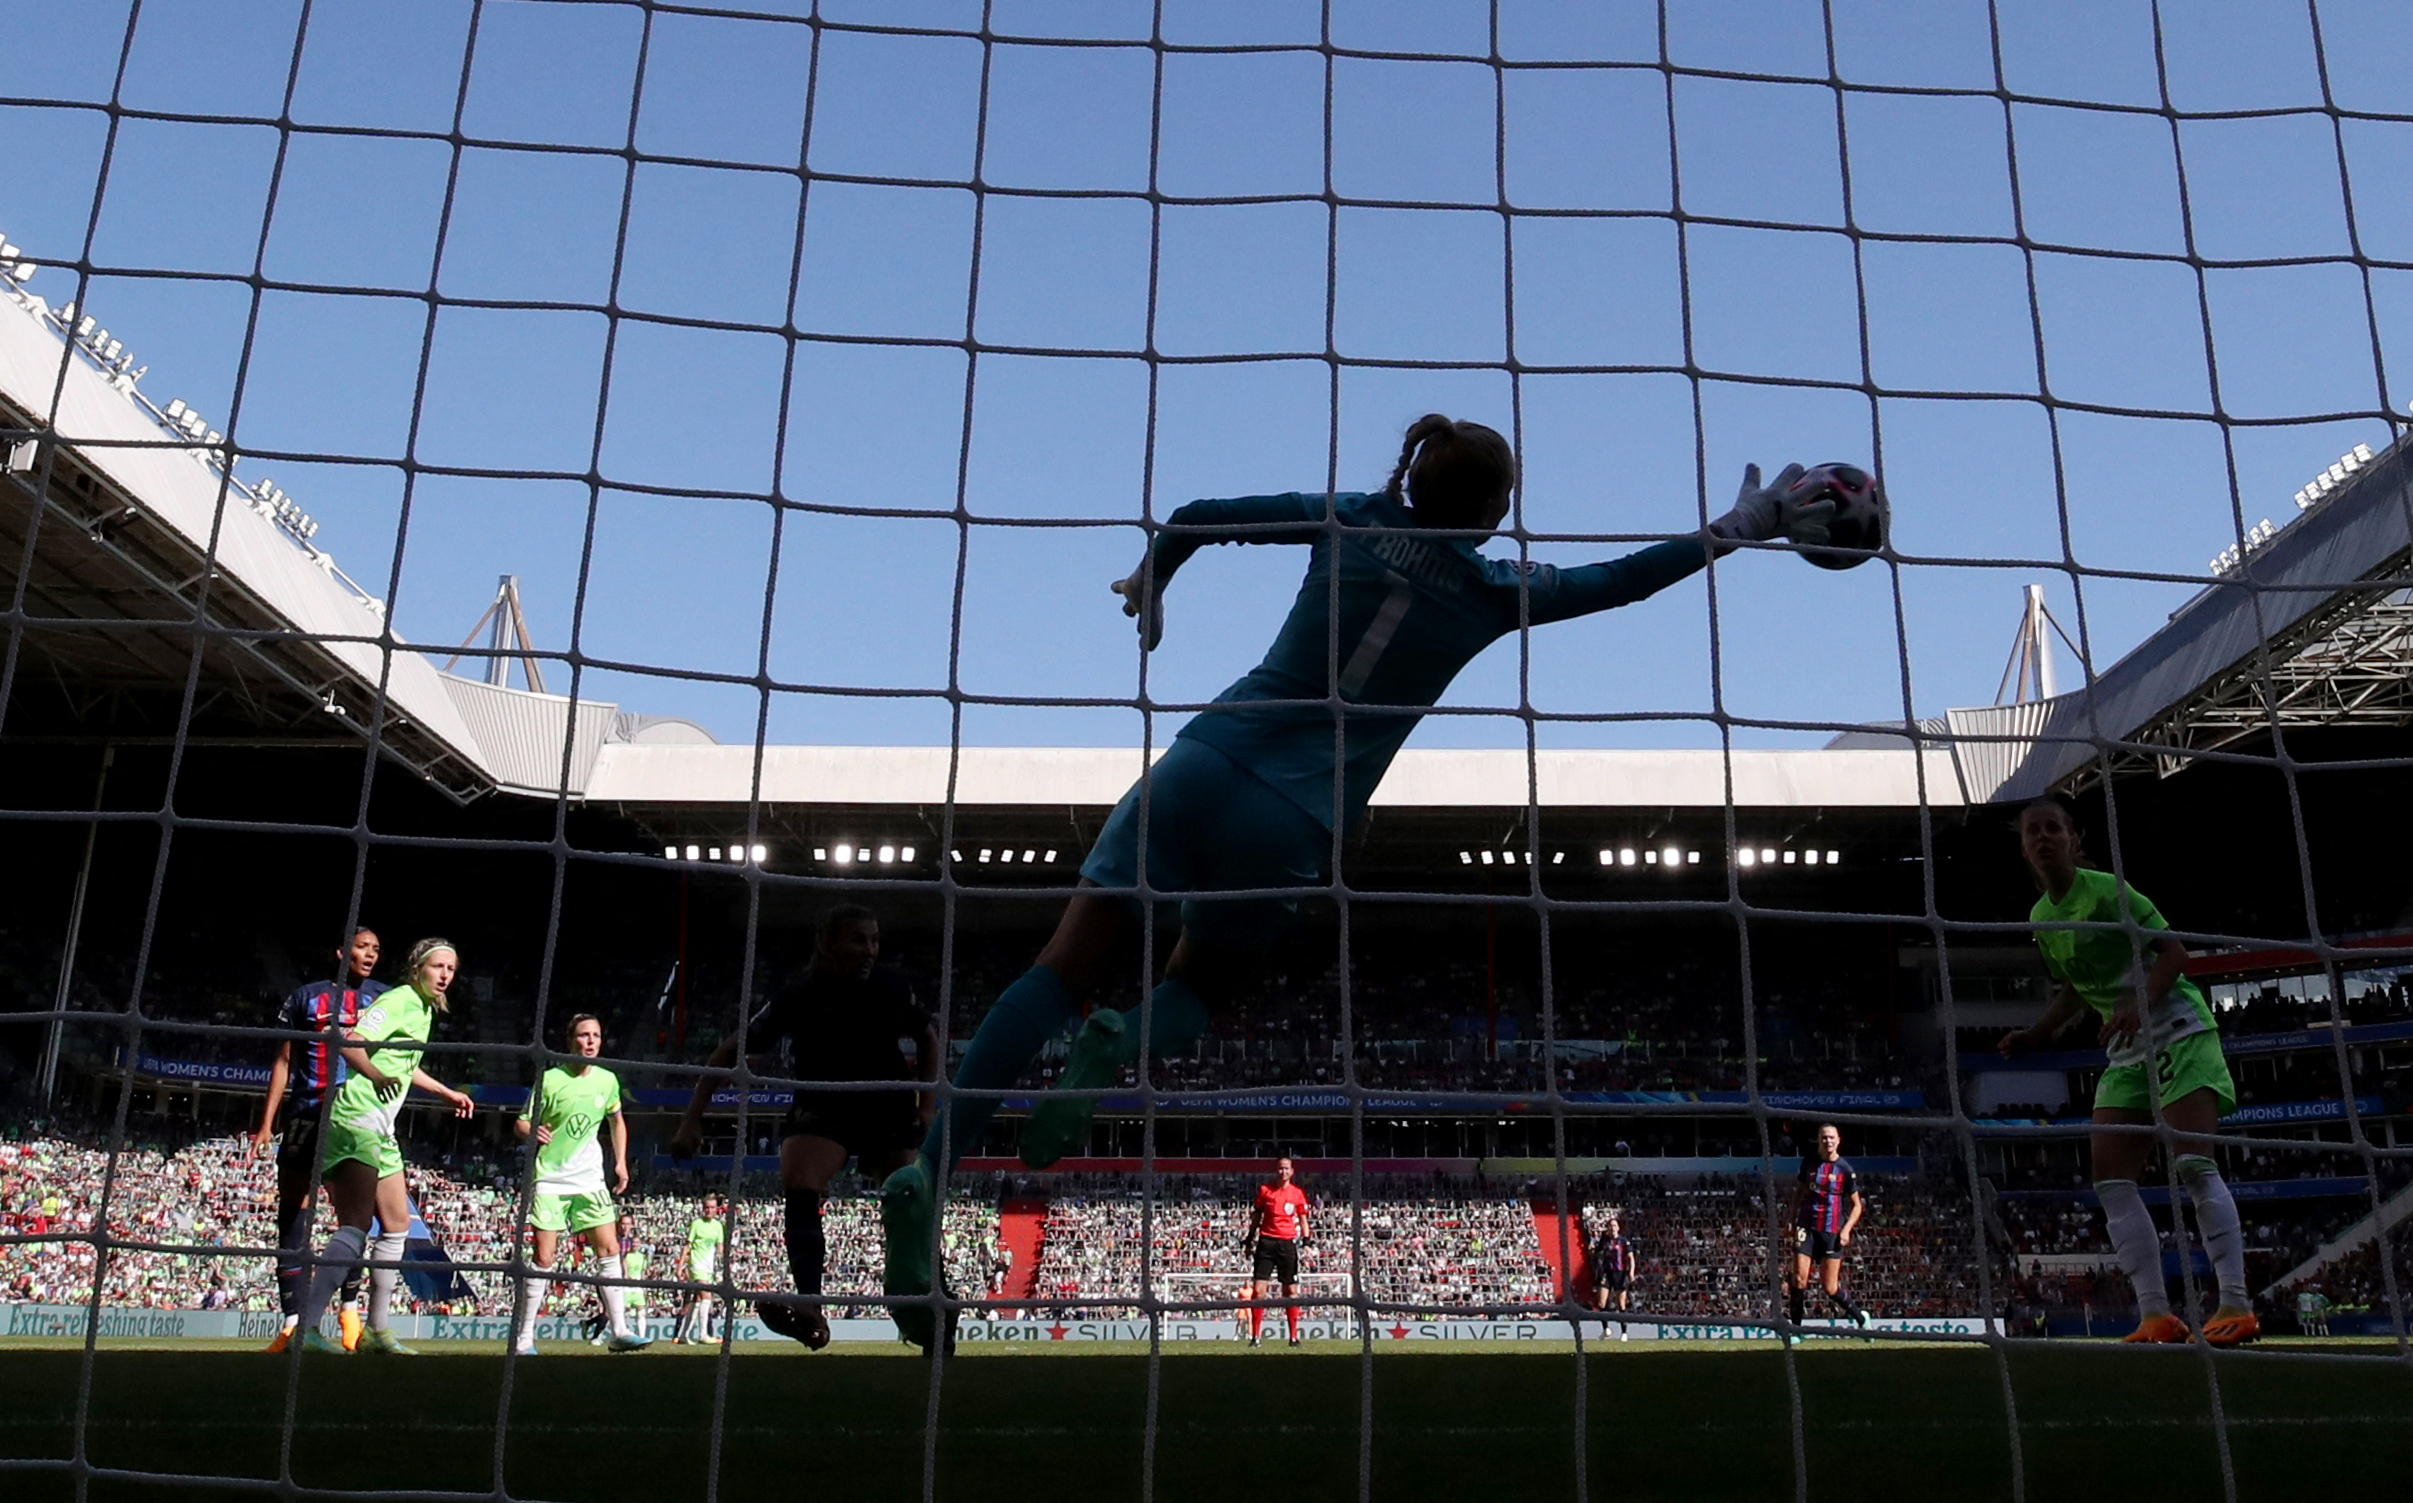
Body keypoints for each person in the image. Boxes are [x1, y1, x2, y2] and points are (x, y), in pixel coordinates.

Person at [881, 416, 1842, 1347]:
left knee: (1059, 963)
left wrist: (1154, 574)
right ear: (1496, 509)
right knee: (1197, 987)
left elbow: (1202, 510)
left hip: (1207, 758)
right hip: (1291, 817)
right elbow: (1621, 582)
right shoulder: (1490, 587)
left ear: (1415, 476)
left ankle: (931, 1164)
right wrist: (1734, 530)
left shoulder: (1346, 514)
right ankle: (1119, 1039)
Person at [1998, 795, 2256, 1346]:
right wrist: (2037, 1033)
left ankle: (2236, 1302)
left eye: (2052, 828)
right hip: (2126, 1051)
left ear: (2074, 839)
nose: (2042, 838)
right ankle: (2155, 1315)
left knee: (2192, 1165)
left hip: (2178, 1030)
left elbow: (2174, 954)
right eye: (2032, 832)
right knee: (2111, 1179)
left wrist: (2138, 1005)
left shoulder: (2110, 891)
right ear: (2023, 848)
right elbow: (2075, 986)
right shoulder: (2041, 917)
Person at [672, 906, 936, 1350]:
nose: (870, 950)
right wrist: (691, 1120)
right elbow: (730, 1050)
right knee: (800, 1179)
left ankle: (928, 1308)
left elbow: (927, 1035)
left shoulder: (891, 986)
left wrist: (926, 1106)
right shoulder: (801, 993)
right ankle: (811, 1307)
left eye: (874, 940)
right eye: (858, 940)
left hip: (884, 1105)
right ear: (827, 945)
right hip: (824, 1104)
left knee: (909, 1198)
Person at [290, 938, 478, 1355]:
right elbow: (350, 1042)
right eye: (438, 966)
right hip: (356, 1117)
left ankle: (377, 1329)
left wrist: (445, 1092)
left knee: (396, 1225)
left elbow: (404, 1066)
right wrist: (375, 1078)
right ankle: (305, 1327)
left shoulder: (424, 1009)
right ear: (417, 968)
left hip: (381, 1125)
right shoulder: (399, 1001)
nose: (445, 975)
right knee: (355, 1227)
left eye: (451, 968)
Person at [250, 927, 385, 1353]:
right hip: (307, 1113)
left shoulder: (385, 999)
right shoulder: (307, 997)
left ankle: (349, 1309)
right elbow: (284, 1059)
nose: (370, 954)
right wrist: (267, 1122)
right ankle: (294, 1323)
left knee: (356, 1219)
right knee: (294, 1212)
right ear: (342, 951)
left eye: (376, 949)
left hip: (356, 1118)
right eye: (363, 947)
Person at [510, 1014, 650, 1356]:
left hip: (589, 1178)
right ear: (570, 1041)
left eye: (596, 1036)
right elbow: (520, 1124)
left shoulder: (607, 1080)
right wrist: (532, 1131)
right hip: (550, 1178)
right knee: (544, 1256)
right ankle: (524, 1339)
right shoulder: (552, 1080)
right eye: (584, 1035)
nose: (590, 1042)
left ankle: (619, 1330)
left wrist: (619, 1162)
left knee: (610, 1249)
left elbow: (617, 1122)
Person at [1786, 1124, 1869, 1334]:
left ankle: (1861, 1317)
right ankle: (1796, 1329)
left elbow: (1857, 1205)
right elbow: (1798, 1192)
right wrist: (1790, 1218)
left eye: (1831, 1137)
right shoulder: (1809, 1163)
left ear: (1838, 1140)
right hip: (1806, 1226)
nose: (1828, 1141)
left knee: (1830, 1287)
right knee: (1798, 1278)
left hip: (1831, 1231)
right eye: (1824, 1137)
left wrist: (1846, 1229)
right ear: (1819, 1140)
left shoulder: (1845, 1170)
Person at [1243, 1157, 1311, 1347]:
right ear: (1276, 1171)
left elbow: (1303, 1220)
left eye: (1286, 1168)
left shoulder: (1297, 1194)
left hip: (1287, 1244)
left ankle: (1293, 1337)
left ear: (1292, 1171)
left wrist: (1306, 1242)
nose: (1283, 1172)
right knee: (1259, 1291)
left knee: (1290, 1290)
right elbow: (1256, 1216)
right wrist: (1249, 1240)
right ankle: (1255, 1336)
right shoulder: (1265, 1190)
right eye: (1280, 1168)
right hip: (1266, 1243)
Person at [673, 1193, 728, 1344]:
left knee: (697, 1300)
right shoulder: (696, 1224)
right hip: (697, 1265)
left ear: (717, 1209)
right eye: (706, 1208)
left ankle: (684, 1335)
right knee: (706, 1297)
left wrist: (724, 1262)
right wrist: (680, 1266)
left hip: (709, 1266)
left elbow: (720, 1247)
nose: (709, 1210)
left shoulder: (718, 1226)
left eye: (712, 1208)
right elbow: (687, 1246)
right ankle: (703, 1334)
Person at [592, 1211, 650, 1346]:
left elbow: (623, 1258)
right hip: (609, 1275)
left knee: (613, 1309)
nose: (625, 1227)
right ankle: (599, 1336)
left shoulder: (629, 1242)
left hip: (622, 1278)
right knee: (609, 1309)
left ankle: (604, 1333)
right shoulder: (613, 1238)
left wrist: (626, 1272)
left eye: (628, 1224)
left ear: (632, 1226)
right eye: (623, 1224)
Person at [1589, 1211, 1637, 1339]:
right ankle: (1606, 1329)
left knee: (1621, 1304)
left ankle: (1624, 1332)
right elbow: (1597, 1254)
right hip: (1606, 1273)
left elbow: (1631, 1257)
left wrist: (1631, 1272)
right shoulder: (1604, 1241)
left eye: (1614, 1225)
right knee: (1601, 1303)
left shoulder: (1623, 1241)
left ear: (1618, 1228)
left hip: (1620, 1273)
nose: (1612, 1228)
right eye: (1610, 1226)